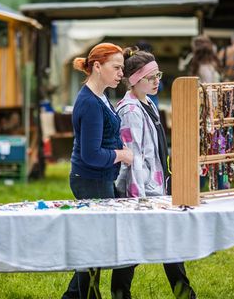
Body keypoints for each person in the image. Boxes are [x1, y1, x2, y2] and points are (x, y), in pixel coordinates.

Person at [115, 47, 197, 299]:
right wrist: (140, 199)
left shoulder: (148, 102)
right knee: (131, 252)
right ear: (134, 80)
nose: (156, 81)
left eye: (158, 75)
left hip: (156, 189)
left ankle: (185, 295)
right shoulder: (129, 111)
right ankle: (119, 295)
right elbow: (132, 158)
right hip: (141, 194)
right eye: (151, 78)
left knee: (169, 247)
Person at [62, 42, 134, 299]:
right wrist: (122, 155)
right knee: (96, 249)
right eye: (116, 67)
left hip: (98, 179)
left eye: (122, 68)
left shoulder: (100, 95)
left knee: (97, 247)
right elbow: (91, 155)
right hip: (91, 179)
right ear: (96, 66)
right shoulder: (91, 102)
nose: (120, 74)